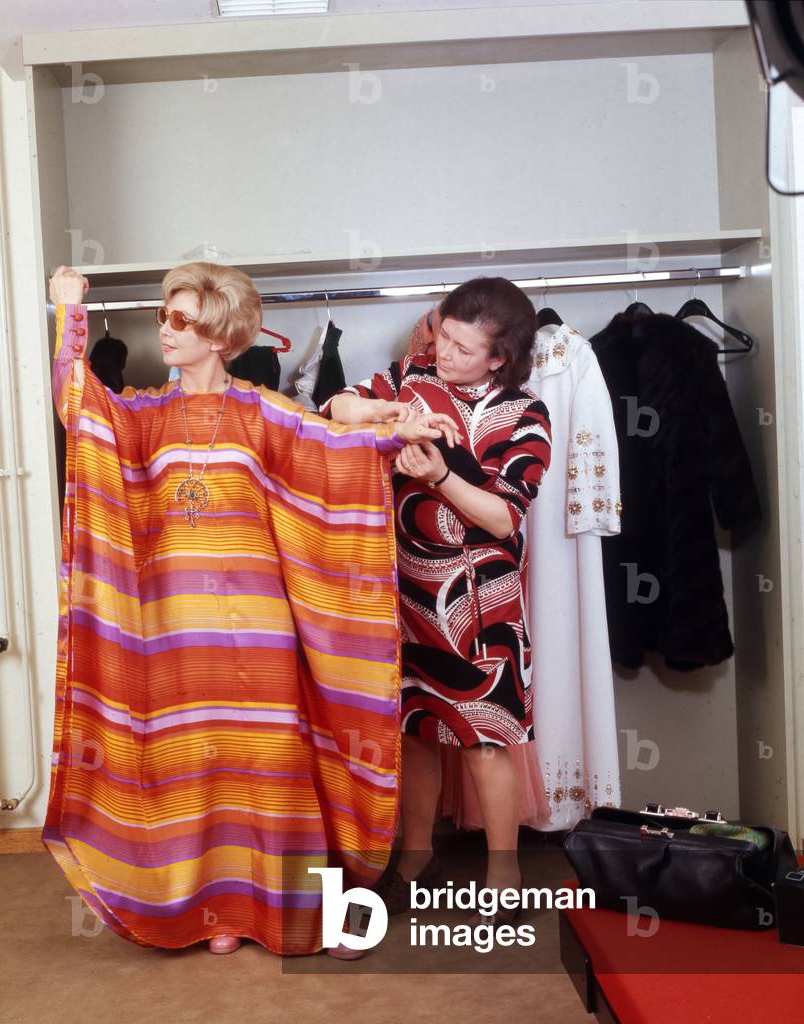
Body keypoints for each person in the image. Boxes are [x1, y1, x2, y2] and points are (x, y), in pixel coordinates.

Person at [42, 261, 461, 958]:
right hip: (172, 634)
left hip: (259, 635)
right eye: (164, 318)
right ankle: (221, 913)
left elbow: (337, 455)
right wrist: (69, 313)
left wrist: (392, 434)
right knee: (195, 773)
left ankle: (303, 913)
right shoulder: (141, 416)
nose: (166, 332)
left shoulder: (265, 414)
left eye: (182, 320)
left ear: (220, 335)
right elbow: (77, 404)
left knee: (272, 767)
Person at [322, 277, 552, 922]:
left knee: (485, 736)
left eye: (462, 347)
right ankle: (416, 854)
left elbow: (506, 519)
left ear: (499, 357)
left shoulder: (526, 413)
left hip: (483, 603)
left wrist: (441, 475)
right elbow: (331, 408)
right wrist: (384, 415)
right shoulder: (409, 375)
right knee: (415, 730)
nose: (444, 353)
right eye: (442, 336)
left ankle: (504, 875)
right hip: (402, 590)